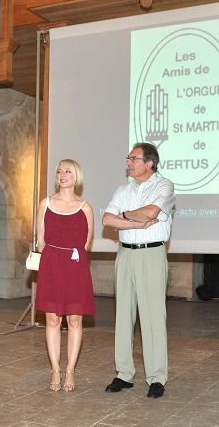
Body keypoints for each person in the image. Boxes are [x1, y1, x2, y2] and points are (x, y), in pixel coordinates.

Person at [102, 143, 175, 398]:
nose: (128, 162)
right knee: (123, 315)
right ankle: (124, 374)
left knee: (153, 316)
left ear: (149, 163)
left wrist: (123, 217)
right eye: (128, 158)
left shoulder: (164, 186)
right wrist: (134, 220)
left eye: (133, 158)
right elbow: (107, 219)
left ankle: (156, 377)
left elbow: (152, 212)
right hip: (125, 254)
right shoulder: (123, 189)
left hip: (151, 253)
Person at [35, 159, 95, 392]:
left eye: (68, 171)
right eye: (59, 171)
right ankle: (55, 370)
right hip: (51, 265)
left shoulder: (86, 208)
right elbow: (41, 242)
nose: (62, 174)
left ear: (76, 176)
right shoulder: (45, 204)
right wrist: (54, 259)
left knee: (75, 320)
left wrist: (68, 257)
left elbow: (86, 244)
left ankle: (70, 371)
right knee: (52, 320)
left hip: (75, 266)